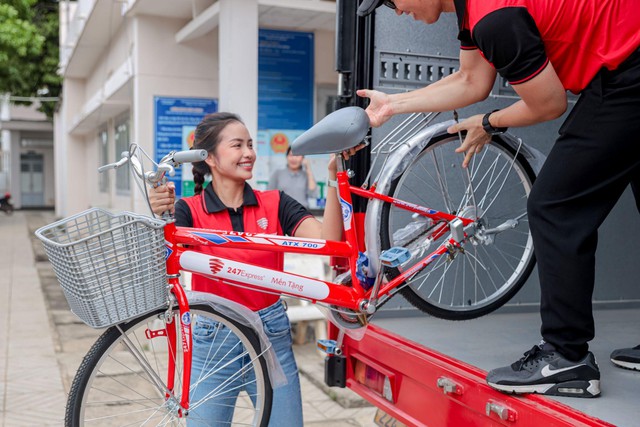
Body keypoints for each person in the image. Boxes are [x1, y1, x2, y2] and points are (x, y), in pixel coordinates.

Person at [356, 0, 640, 397]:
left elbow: (549, 103)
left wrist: (488, 122)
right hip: (627, 66)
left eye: (391, 0)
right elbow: (472, 81)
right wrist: (394, 104)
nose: (394, 10)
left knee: (555, 206)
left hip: (630, 73)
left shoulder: (494, 18)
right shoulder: (474, 14)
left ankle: (567, 358)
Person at [149, 112, 359, 425]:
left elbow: (326, 240)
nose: (249, 152)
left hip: (270, 334)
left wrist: (333, 177)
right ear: (210, 158)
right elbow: (158, 266)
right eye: (237, 145)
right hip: (213, 340)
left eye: (250, 144)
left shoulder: (276, 203)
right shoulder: (188, 210)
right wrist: (157, 214)